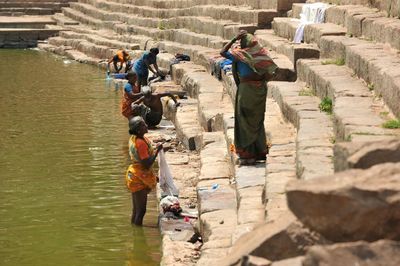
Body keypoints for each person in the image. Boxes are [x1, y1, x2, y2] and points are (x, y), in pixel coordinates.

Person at [220, 30, 278, 165]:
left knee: (244, 120)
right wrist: (261, 80)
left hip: (246, 90)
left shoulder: (240, 55)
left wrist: (234, 38)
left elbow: (223, 52)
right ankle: (259, 151)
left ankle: (247, 155)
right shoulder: (262, 55)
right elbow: (272, 71)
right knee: (257, 121)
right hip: (260, 90)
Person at [125, 116, 163, 225]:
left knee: (136, 209)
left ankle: (135, 233)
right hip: (138, 177)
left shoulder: (136, 138)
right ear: (138, 129)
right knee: (141, 210)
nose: (146, 125)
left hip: (135, 174)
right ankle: (138, 236)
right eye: (142, 124)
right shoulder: (140, 142)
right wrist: (157, 152)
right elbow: (146, 163)